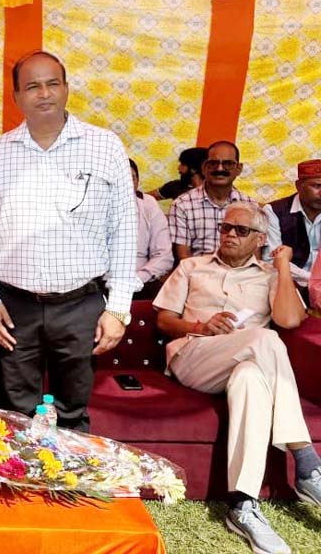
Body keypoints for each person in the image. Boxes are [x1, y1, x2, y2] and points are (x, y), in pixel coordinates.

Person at [0, 50, 138, 431]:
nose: (44, 94)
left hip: (82, 306)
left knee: (73, 414)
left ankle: (70, 470)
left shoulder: (104, 146)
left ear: (66, 89)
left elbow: (124, 230)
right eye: (32, 86)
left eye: (52, 84)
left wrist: (119, 309)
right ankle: (21, 471)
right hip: (14, 307)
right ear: (16, 96)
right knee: (15, 416)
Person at [154, 201, 319, 554]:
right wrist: (201, 325)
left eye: (241, 230)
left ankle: (242, 504)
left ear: (259, 239)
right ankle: (306, 460)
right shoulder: (192, 267)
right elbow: (164, 321)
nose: (229, 234)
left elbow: (290, 320)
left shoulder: (270, 275)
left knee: (250, 381)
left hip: (249, 361)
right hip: (195, 355)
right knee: (266, 338)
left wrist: (282, 266)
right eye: (225, 228)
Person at [169, 141, 255, 262]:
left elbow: (255, 255)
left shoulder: (251, 206)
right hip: (198, 271)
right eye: (213, 164)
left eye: (228, 164)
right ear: (204, 167)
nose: (220, 169)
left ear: (239, 168)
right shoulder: (182, 205)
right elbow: (184, 258)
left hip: (241, 272)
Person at [264, 159, 321, 301]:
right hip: (286, 284)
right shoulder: (274, 211)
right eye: (317, 186)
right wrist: (313, 280)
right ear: (299, 186)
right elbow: (271, 260)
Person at [130, 159, 174, 300]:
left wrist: (138, 279)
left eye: (131, 178)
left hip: (141, 280)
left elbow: (164, 255)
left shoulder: (148, 205)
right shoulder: (91, 206)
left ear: (137, 181)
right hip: (100, 282)